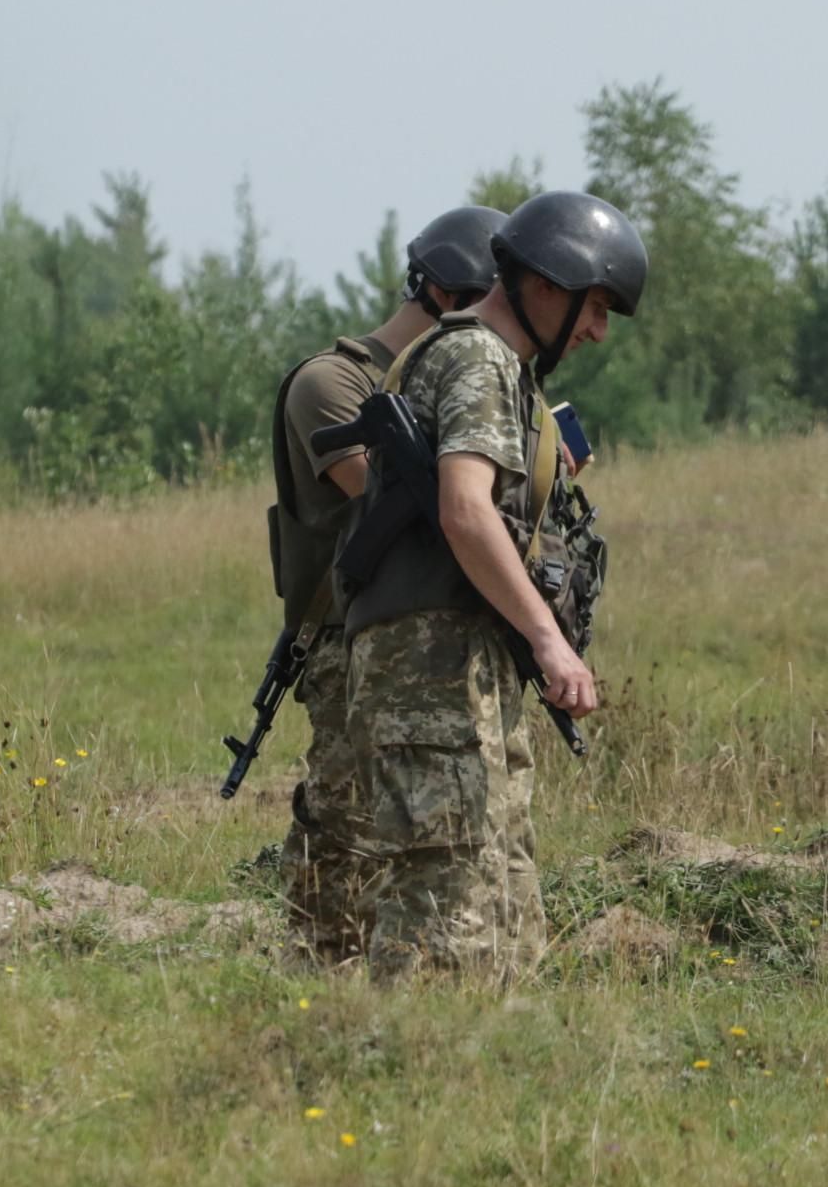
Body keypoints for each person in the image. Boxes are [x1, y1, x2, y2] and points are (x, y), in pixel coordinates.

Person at [321, 188, 645, 980]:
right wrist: (547, 639)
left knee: (498, 905)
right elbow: (466, 512)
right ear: (548, 285)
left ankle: (483, 1083)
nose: (599, 331)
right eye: (596, 307)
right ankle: (412, 1081)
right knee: (443, 916)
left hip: (458, 661)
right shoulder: (476, 359)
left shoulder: (498, 369)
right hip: (430, 667)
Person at [271, 206, 504, 961]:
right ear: (440, 292)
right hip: (348, 636)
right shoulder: (330, 383)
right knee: (345, 827)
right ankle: (317, 970)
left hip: (434, 633)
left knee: (433, 831)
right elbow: (391, 498)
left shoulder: (473, 384)